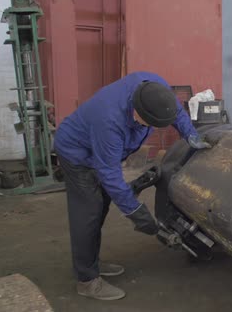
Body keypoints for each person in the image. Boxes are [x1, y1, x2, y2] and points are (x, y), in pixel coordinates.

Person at [54, 71, 211, 300]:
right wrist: (135, 211)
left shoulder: (155, 88)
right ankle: (87, 280)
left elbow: (174, 111)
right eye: (150, 124)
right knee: (88, 212)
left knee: (103, 205)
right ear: (137, 111)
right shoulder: (109, 121)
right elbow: (109, 173)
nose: (152, 128)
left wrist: (190, 135)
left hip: (101, 151)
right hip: (78, 154)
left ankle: (90, 262)